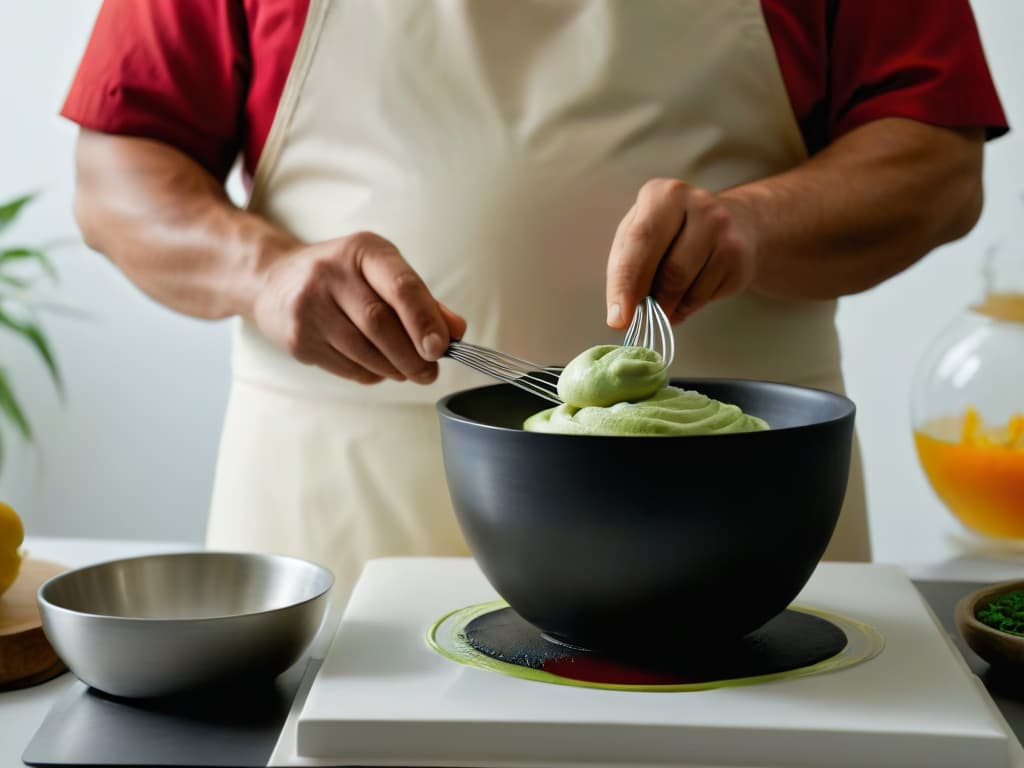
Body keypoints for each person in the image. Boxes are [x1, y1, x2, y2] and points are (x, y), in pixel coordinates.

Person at [63, 0, 1008, 600]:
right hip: (341, 521)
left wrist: (756, 223)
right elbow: (116, 170)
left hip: (739, 536)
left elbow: (935, 164)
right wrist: (259, 271)